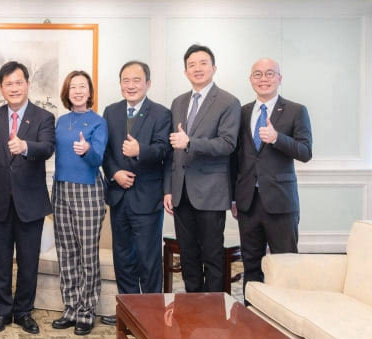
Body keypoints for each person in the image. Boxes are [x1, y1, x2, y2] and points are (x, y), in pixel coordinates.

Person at [0, 61, 55, 334]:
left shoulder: (44, 117)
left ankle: (23, 311)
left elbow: (47, 148)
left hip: (31, 204)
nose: (14, 88)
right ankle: (2, 312)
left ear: (27, 84)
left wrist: (25, 146)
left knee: (28, 262)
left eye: (18, 82)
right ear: (1, 88)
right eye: (8, 84)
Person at [163, 44, 240, 293]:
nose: (197, 68)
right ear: (185, 71)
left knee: (213, 257)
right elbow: (172, 150)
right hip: (181, 193)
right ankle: (192, 309)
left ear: (214, 67)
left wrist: (191, 143)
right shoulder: (178, 102)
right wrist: (168, 189)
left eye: (203, 63)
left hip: (211, 193)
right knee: (188, 257)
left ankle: (214, 313)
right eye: (192, 65)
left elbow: (228, 144)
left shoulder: (228, 101)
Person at [231, 58, 312, 291]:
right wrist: (235, 197)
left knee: (285, 266)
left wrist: (277, 138)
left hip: (281, 203)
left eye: (269, 74)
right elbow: (236, 158)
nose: (263, 79)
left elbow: (305, 152)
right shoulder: (242, 112)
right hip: (248, 203)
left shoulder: (296, 110)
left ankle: (284, 320)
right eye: (257, 74)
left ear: (279, 78)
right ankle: (251, 318)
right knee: (251, 265)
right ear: (250, 79)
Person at [102, 61, 171, 303]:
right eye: (126, 80)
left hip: (147, 198)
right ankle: (130, 311)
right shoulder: (111, 111)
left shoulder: (161, 113)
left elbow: (164, 150)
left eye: (136, 80)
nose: (130, 85)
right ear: (120, 84)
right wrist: (115, 174)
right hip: (119, 196)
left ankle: (151, 315)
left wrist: (140, 150)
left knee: (148, 259)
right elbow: (106, 152)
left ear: (148, 84)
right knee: (123, 258)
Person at [50, 70, 107, 336]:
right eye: (73, 87)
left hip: (88, 191)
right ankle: (70, 308)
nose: (78, 91)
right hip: (61, 190)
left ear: (89, 91)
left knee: (87, 254)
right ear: (67, 91)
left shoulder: (98, 122)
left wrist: (87, 151)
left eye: (82, 86)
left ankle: (87, 310)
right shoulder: (61, 122)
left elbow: (98, 159)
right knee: (66, 252)